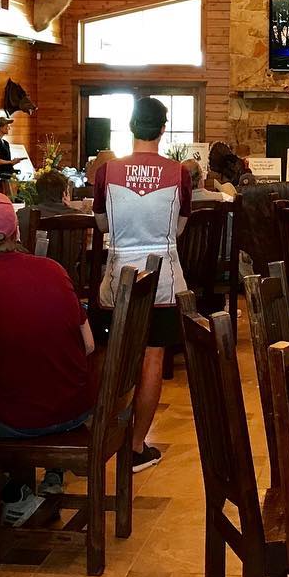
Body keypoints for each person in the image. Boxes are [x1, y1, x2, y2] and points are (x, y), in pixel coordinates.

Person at [0, 193, 95, 520]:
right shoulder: (54, 269)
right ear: (16, 233)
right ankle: (28, 482)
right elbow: (88, 346)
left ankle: (10, 497)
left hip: (20, 419)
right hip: (79, 406)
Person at [93, 97, 191, 473]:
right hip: (163, 278)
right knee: (153, 358)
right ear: (163, 129)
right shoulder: (179, 172)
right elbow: (180, 227)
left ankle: (103, 438)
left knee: (111, 356)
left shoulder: (107, 170)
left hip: (118, 276)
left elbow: (102, 224)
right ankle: (135, 447)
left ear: (132, 127)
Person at [17, 169, 79, 245]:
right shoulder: (80, 217)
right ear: (64, 194)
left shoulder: (23, 214)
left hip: (34, 256)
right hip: (71, 257)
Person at [0, 116, 22, 194]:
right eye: (7, 126)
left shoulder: (5, 143)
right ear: (1, 127)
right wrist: (11, 162)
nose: (9, 128)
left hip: (9, 172)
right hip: (2, 175)